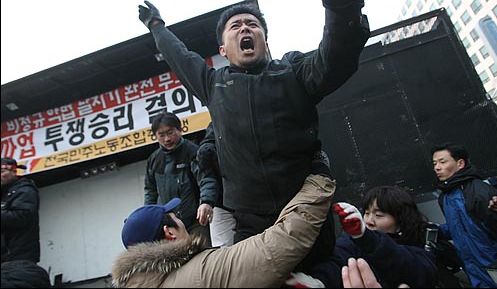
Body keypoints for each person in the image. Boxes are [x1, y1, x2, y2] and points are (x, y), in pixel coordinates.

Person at [138, 0, 371, 272]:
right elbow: (180, 56)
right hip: (250, 223)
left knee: (324, 273)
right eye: (236, 26)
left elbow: (336, 59)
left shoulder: (293, 70)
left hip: (305, 211)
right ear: (223, 49)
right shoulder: (213, 84)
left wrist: (342, 9)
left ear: (264, 38)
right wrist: (156, 26)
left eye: (253, 24)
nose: (245, 28)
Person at [111, 173, 336, 288]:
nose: (181, 221)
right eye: (175, 218)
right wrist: (318, 183)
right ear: (169, 232)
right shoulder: (202, 273)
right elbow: (276, 248)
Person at [300, 185, 439, 288]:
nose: (369, 221)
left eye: (378, 215)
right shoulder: (352, 242)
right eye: (366, 213)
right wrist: (319, 282)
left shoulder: (420, 243)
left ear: (400, 220)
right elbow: (337, 261)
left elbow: (422, 274)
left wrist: (367, 238)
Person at [431, 143, 497, 288]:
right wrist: (436, 230)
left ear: (460, 163)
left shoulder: (479, 191)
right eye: (435, 163)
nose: (437, 167)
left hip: (492, 264)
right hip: (473, 269)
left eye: (443, 162)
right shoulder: (445, 197)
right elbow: (460, 227)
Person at [144, 111, 218, 243]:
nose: (167, 139)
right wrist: (150, 217)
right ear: (155, 136)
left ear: (180, 129)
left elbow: (206, 179)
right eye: (161, 135)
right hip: (170, 225)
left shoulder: (193, 152)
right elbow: (150, 192)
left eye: (170, 132)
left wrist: (207, 201)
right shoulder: (154, 159)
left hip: (196, 221)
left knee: (202, 257)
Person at [196, 122, 236, 247]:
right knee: (222, 251)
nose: (167, 139)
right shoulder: (207, 145)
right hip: (220, 202)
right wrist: (207, 201)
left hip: (252, 200)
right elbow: (207, 176)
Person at [1, 158, 40, 264]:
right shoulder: (3, 193)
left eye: (2, 172)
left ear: (14, 171)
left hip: (17, 256)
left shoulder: (24, 190)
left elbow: (22, 216)